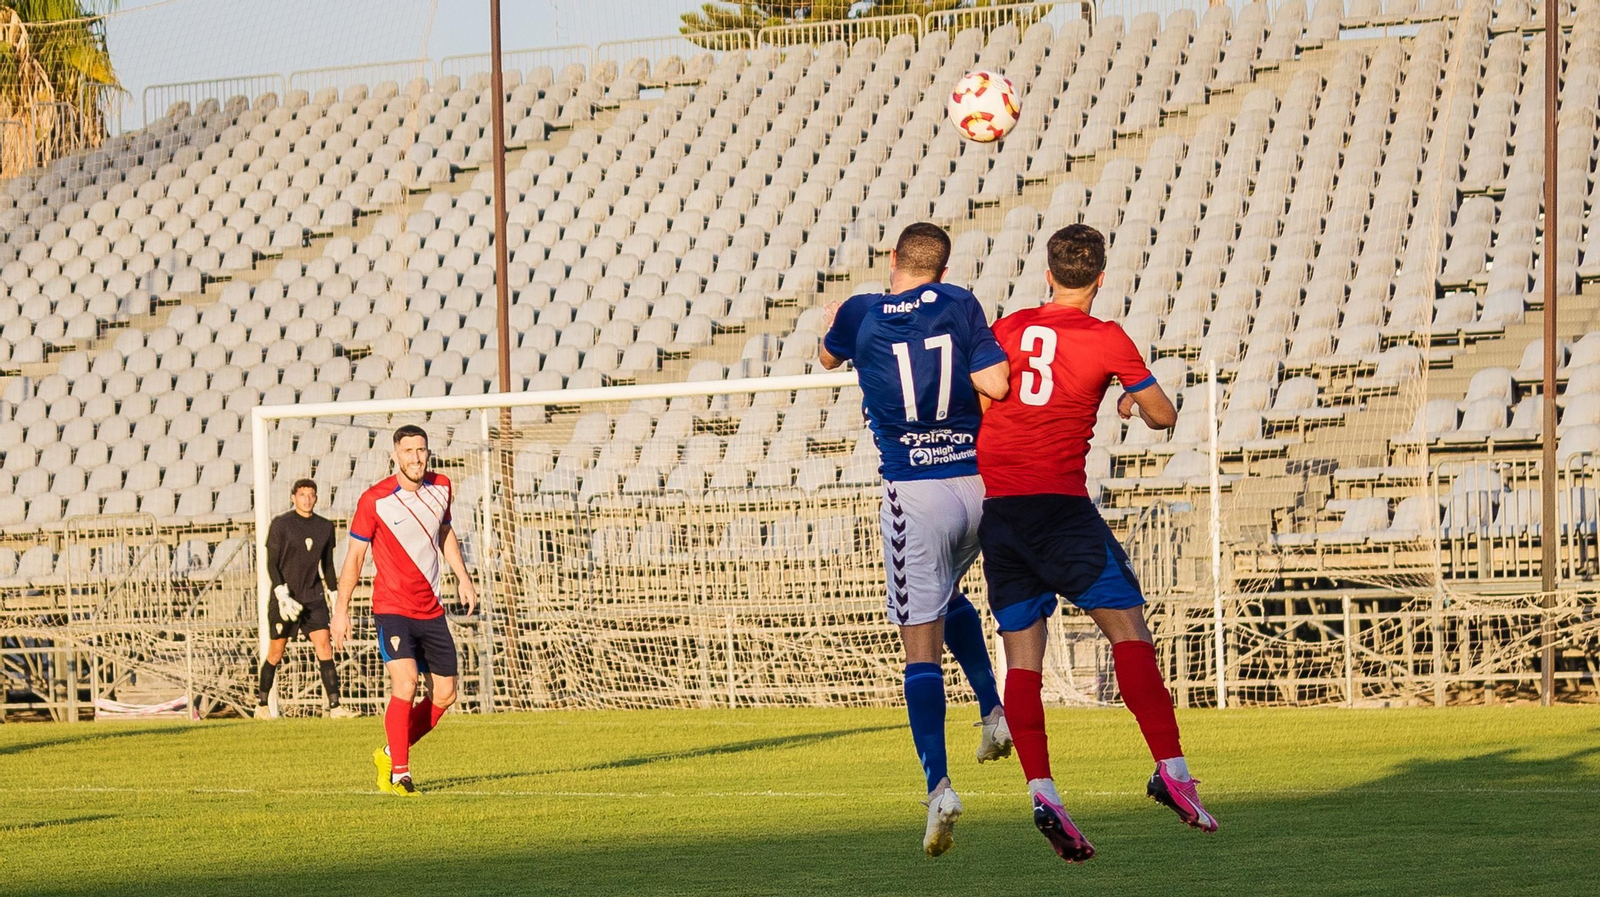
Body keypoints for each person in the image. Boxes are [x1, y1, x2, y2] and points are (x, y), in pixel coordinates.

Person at [976, 224, 1218, 863]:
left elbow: (984, 395)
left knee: (1022, 658)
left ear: (1047, 274)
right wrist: (1129, 405)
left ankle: (1043, 790)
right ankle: (1173, 771)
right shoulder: (1107, 337)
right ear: (1102, 278)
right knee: (1130, 633)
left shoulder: (1005, 328)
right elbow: (1165, 415)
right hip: (1059, 509)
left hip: (999, 513)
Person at [819, 222, 1013, 857]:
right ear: (942, 264)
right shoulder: (960, 303)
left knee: (919, 646)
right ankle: (992, 709)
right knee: (949, 594)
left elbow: (826, 356)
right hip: (976, 484)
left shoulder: (858, 310)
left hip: (915, 491)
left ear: (893, 259)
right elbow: (997, 386)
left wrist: (832, 326)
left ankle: (939, 788)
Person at [331, 425, 478, 797]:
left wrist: (463, 576)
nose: (415, 457)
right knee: (406, 683)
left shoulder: (441, 486)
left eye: (421, 450)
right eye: (408, 450)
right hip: (392, 609)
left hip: (431, 609)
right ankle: (400, 773)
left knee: (445, 694)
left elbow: (444, 532)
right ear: (395, 454)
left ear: (428, 453)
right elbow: (355, 558)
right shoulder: (374, 500)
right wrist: (340, 610)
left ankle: (388, 752)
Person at [256, 478, 354, 719]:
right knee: (276, 652)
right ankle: (261, 704)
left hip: (314, 598)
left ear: (316, 498)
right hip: (287, 599)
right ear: (293, 497)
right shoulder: (281, 524)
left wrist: (333, 593)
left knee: (324, 646)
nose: (307, 499)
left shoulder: (325, 527)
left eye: (311, 495)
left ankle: (335, 706)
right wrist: (280, 592)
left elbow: (327, 565)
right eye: (302, 495)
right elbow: (271, 563)